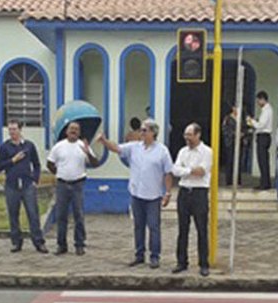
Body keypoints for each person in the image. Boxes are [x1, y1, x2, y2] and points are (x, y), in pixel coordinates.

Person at [99, 118, 173, 269]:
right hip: (136, 194)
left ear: (153, 133)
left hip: (153, 196)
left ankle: (154, 256)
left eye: (144, 130)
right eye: (141, 130)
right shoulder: (134, 147)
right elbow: (117, 148)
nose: (141, 133)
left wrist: (168, 193)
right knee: (138, 226)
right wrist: (104, 141)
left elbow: (168, 173)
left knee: (154, 227)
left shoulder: (162, 151)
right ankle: (139, 255)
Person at [0, 119, 48, 254]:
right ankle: (16, 242)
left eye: (14, 129)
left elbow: (36, 164)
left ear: (20, 129)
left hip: (27, 184)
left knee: (33, 213)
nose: (12, 132)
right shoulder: (4, 147)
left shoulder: (29, 146)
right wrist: (13, 160)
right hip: (11, 185)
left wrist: (35, 179)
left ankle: (38, 242)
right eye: (10, 130)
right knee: (13, 214)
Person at [47, 121, 99, 256]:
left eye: (76, 129)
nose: (73, 131)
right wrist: (59, 173)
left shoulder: (83, 146)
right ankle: (61, 245)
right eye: (71, 129)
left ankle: (80, 244)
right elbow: (50, 163)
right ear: (66, 131)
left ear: (79, 132)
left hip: (78, 184)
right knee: (61, 216)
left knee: (79, 215)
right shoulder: (59, 147)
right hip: (62, 184)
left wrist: (89, 153)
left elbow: (95, 163)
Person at [172, 123, 213, 277]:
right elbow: (175, 170)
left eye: (189, 135)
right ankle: (181, 262)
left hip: (199, 193)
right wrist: (189, 170)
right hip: (184, 191)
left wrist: (185, 170)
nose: (187, 138)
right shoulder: (183, 151)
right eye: (185, 135)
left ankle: (203, 263)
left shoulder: (207, 152)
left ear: (198, 135)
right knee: (182, 229)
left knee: (201, 229)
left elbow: (202, 171)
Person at [247, 91, 273, 190]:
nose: (257, 102)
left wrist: (251, 121)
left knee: (263, 161)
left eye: (258, 100)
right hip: (263, 136)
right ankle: (264, 182)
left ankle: (265, 183)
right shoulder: (266, 110)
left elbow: (261, 125)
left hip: (263, 136)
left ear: (263, 99)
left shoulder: (267, 110)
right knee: (263, 160)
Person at [222, 102, 248, 186]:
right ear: (233, 108)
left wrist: (243, 134)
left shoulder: (241, 118)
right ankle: (229, 181)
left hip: (239, 142)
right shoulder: (227, 118)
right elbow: (225, 130)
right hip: (230, 142)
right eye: (236, 107)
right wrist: (234, 133)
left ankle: (238, 180)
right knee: (230, 160)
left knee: (239, 161)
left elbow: (245, 128)